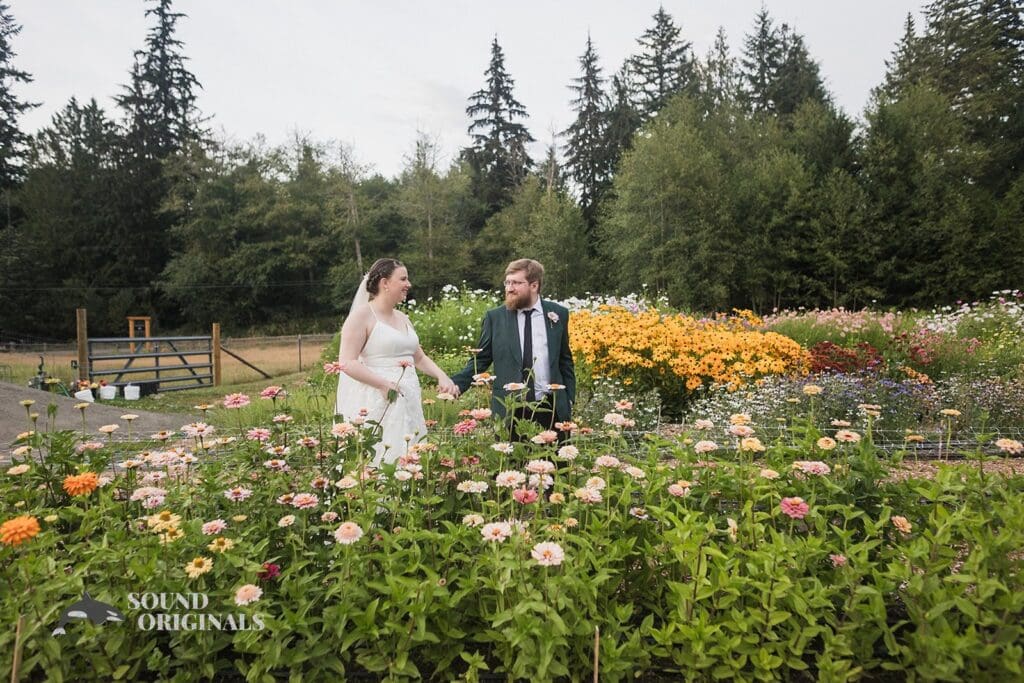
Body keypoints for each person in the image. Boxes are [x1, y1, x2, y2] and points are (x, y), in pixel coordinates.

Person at [335, 258, 458, 466]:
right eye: (403, 278)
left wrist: (441, 375)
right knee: (382, 454)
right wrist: (383, 384)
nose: (408, 284)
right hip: (378, 398)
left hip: (408, 397)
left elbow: (418, 357)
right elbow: (347, 362)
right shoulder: (361, 316)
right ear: (385, 283)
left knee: (410, 453)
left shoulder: (403, 318)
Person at [451, 258, 576, 440]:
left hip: (551, 407)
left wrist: (569, 397)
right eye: (507, 282)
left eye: (516, 283)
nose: (509, 288)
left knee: (553, 466)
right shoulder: (495, 318)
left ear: (534, 285)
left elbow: (565, 359)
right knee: (510, 467)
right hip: (509, 410)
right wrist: (456, 384)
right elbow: (481, 359)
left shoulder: (558, 314)